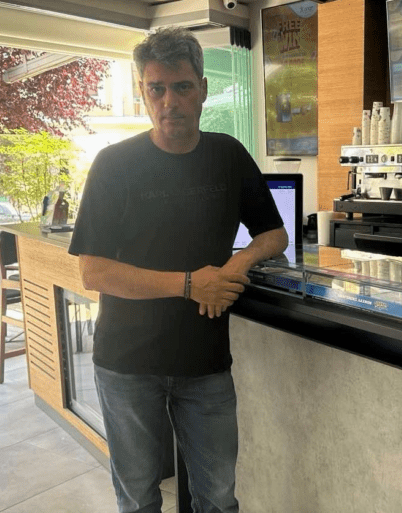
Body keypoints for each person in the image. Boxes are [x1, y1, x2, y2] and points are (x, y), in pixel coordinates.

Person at [68, 27, 288, 513]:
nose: (170, 101)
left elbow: (274, 234)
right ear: (142, 92)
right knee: (138, 499)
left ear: (203, 89)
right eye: (157, 89)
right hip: (127, 362)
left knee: (218, 497)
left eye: (182, 87)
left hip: (204, 361)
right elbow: (94, 272)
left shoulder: (228, 155)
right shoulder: (114, 165)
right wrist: (190, 284)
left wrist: (236, 263)